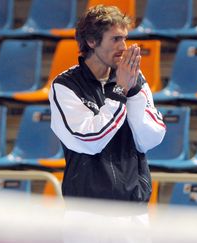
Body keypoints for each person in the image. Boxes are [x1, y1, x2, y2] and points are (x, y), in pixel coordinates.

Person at [49, 5, 166, 203]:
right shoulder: (65, 86)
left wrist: (133, 90)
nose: (123, 47)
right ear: (91, 41)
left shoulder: (133, 79)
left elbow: (150, 138)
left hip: (133, 207)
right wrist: (120, 91)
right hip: (88, 210)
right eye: (115, 39)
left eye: (125, 38)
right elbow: (90, 140)